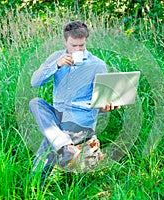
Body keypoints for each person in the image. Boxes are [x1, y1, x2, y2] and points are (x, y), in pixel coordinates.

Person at [29, 20, 119, 184]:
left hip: (80, 121)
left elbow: (99, 104)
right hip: (58, 116)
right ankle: (64, 146)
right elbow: (35, 82)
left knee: (49, 141)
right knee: (35, 102)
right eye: (74, 46)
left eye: (81, 46)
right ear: (65, 42)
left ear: (86, 42)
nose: (78, 50)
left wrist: (106, 107)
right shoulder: (56, 58)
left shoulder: (97, 65)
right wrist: (56, 65)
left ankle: (35, 185)